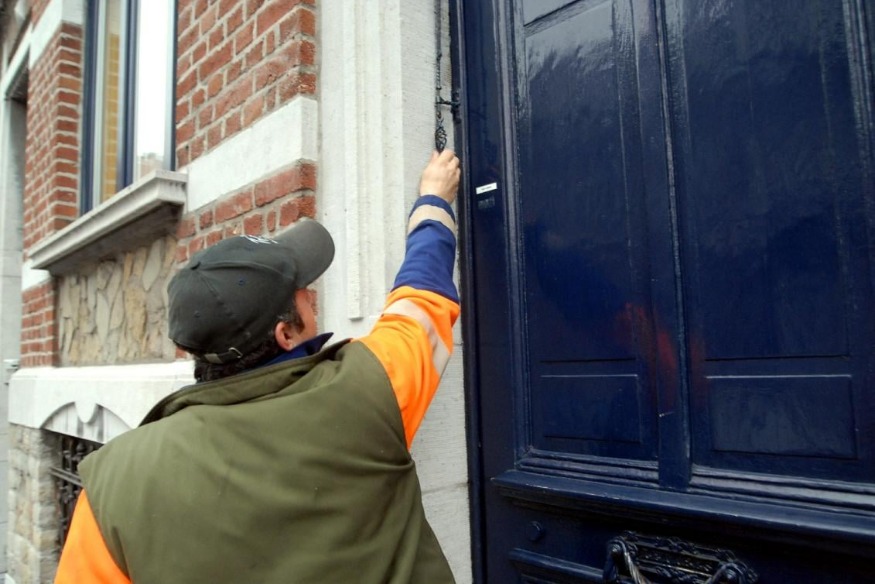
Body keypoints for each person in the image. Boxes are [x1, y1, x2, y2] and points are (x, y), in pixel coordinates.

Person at [54, 149, 462, 583]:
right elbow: (422, 298)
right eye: (303, 290)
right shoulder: (369, 389)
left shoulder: (113, 484)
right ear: (286, 334)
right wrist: (434, 199)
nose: (311, 294)